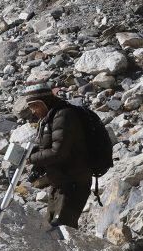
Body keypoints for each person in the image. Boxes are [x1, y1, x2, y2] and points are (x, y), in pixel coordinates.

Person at [22, 82, 92, 229]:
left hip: (74, 184)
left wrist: (30, 159)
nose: (33, 111)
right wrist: (38, 165)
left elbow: (58, 152)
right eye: (31, 107)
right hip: (59, 184)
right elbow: (46, 147)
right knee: (50, 229)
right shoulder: (48, 117)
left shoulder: (64, 115)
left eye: (35, 106)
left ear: (44, 101)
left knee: (62, 231)